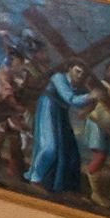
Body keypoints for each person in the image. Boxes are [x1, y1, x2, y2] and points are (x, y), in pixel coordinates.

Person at [26, 58, 92, 198]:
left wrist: (91, 102)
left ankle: (64, 187)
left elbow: (86, 103)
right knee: (50, 147)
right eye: (77, 71)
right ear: (69, 69)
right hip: (48, 109)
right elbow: (70, 99)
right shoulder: (58, 77)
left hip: (61, 114)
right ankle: (35, 179)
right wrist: (92, 96)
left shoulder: (80, 85)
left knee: (70, 150)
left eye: (83, 73)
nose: (80, 75)